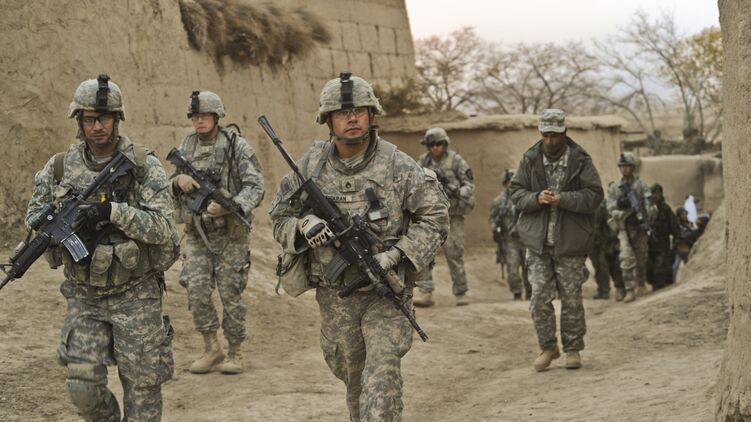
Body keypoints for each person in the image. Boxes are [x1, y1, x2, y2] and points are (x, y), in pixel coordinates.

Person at [269, 72, 449, 421]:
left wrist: (396, 254)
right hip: (337, 296)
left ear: (371, 115)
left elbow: (436, 216)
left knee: (381, 374)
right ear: (328, 120)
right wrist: (303, 226)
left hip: (386, 291)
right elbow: (279, 217)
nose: (351, 119)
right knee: (354, 380)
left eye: (359, 111)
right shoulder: (310, 166)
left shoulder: (397, 164)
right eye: (342, 113)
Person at [25, 75, 178, 421]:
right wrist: (60, 221)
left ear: (117, 119)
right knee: (82, 388)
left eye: (104, 118)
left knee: (143, 391)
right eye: (90, 119)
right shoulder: (59, 167)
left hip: (136, 293)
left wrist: (112, 212)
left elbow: (163, 228)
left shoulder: (142, 165)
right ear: (79, 121)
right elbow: (33, 216)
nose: (97, 127)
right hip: (85, 295)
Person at [170, 91, 265, 374]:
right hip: (198, 234)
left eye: (205, 116)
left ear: (216, 117)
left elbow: (256, 186)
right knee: (197, 291)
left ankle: (235, 351)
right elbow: (168, 182)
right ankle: (211, 348)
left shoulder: (237, 146)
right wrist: (178, 180)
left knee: (230, 294)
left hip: (231, 236)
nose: (199, 121)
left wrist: (231, 206)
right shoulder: (187, 145)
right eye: (195, 116)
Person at [509, 108, 603, 371]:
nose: (550, 141)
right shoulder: (530, 158)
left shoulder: (580, 159)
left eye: (555, 135)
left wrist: (564, 199)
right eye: (546, 135)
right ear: (541, 132)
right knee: (539, 297)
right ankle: (548, 347)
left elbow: (594, 195)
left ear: (564, 133)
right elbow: (516, 192)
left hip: (570, 241)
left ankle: (573, 348)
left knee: (571, 297)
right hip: (538, 242)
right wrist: (536, 198)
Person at [414, 127, 475, 307]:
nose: (435, 148)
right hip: (430, 215)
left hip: (453, 215)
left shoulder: (456, 161)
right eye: (431, 144)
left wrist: (458, 191)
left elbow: (469, 184)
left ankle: (461, 292)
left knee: (454, 252)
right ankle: (425, 292)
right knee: (424, 251)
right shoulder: (422, 162)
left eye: (438, 144)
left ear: (445, 144)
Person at [606, 152, 651, 303]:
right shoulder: (615, 187)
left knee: (641, 257)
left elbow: (647, 203)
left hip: (639, 227)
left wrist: (643, 215)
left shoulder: (641, 185)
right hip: (624, 227)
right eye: (622, 167)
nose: (624, 169)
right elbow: (610, 206)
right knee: (626, 257)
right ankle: (629, 289)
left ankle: (640, 283)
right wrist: (622, 213)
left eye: (627, 166)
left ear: (633, 167)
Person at [489, 169, 530, 300]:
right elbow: (492, 218)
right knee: (512, 268)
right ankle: (517, 292)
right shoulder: (499, 201)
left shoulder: (528, 198)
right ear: (505, 183)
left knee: (529, 268)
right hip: (510, 240)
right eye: (509, 182)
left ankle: (530, 292)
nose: (511, 184)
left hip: (527, 239)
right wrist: (495, 229)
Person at [646, 183, 678, 290]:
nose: (655, 196)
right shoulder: (646, 208)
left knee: (660, 266)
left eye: (657, 193)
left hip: (662, 243)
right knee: (649, 267)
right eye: (653, 193)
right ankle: (654, 284)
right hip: (649, 244)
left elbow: (674, 225)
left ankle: (659, 287)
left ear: (661, 194)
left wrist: (676, 239)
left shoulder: (666, 209)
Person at [590, 199, 620, 299]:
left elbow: (610, 225)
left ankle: (606, 290)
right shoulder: (585, 205)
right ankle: (601, 289)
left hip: (604, 242)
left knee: (603, 265)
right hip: (591, 242)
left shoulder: (603, 207)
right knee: (597, 266)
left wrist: (609, 240)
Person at [672, 207, 699, 282]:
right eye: (682, 214)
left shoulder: (690, 224)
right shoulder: (676, 226)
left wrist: (687, 236)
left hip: (688, 249)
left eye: (685, 214)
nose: (685, 216)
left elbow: (694, 233)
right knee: (675, 267)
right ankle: (673, 282)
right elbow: (676, 236)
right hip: (679, 250)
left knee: (689, 266)